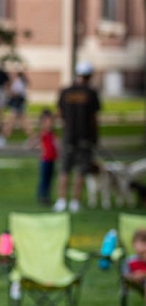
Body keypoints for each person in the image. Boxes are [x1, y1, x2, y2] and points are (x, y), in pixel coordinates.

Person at [54, 61, 102, 213]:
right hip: (85, 137)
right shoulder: (91, 93)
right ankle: (75, 202)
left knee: (65, 170)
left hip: (68, 136)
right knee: (80, 170)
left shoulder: (66, 92)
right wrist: (95, 137)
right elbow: (94, 118)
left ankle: (61, 201)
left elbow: (60, 114)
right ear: (89, 76)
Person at [2, 71, 33, 143]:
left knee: (10, 122)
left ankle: (4, 137)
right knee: (23, 122)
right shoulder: (20, 81)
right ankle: (32, 137)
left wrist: (9, 90)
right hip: (19, 104)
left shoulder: (18, 81)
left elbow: (16, 92)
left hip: (17, 105)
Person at [36, 109, 58, 205]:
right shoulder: (43, 133)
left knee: (49, 179)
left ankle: (47, 196)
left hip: (52, 159)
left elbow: (57, 145)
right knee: (44, 179)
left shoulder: (53, 134)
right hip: (45, 159)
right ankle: (42, 196)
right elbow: (34, 141)